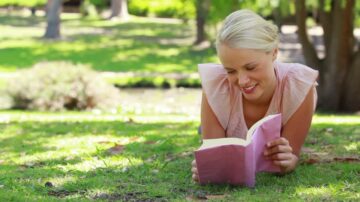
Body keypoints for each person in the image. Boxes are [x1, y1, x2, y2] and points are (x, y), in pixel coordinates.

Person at [191, 9, 319, 183]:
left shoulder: (299, 85)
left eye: (250, 67)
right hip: (227, 111)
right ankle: (215, 126)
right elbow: (217, 161)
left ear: (274, 52)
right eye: (230, 70)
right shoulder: (217, 85)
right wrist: (208, 167)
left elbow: (290, 157)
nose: (242, 81)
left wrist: (288, 161)